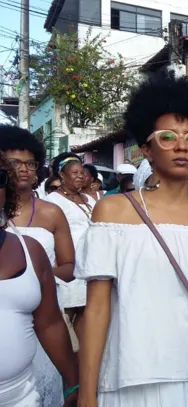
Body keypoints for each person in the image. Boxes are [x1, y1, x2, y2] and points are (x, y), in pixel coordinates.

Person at [75, 70, 188, 407]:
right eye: (168, 136)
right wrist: (87, 395)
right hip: (135, 382)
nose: (181, 146)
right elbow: (97, 309)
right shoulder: (113, 213)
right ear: (146, 148)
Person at [0, 125, 77, 407]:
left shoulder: (51, 212)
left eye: (30, 163)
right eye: (14, 163)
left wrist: (36, 279)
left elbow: (69, 266)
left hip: (44, 314)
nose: (23, 169)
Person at [44, 153, 96, 346]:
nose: (80, 176)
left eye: (82, 172)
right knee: (66, 313)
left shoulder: (89, 200)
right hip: (67, 263)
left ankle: (81, 354)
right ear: (62, 176)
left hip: (89, 264)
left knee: (85, 312)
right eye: (74, 172)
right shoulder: (53, 200)